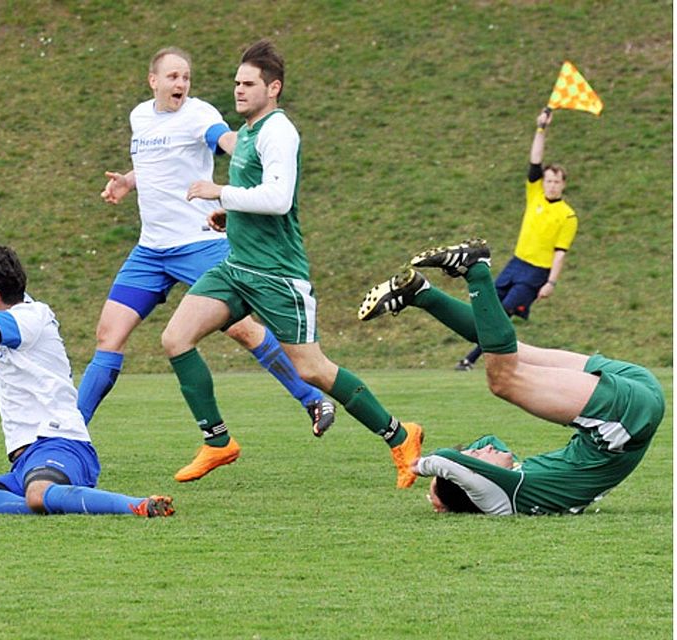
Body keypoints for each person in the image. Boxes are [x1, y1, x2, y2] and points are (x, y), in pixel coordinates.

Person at [163, 40, 423, 487]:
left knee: (312, 369)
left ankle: (400, 435)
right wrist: (232, 214)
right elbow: (260, 196)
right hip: (238, 268)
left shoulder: (279, 131)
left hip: (277, 275)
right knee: (175, 338)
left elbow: (279, 199)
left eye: (249, 84)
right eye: (237, 83)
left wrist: (219, 192)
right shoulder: (246, 133)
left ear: (274, 88)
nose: (239, 91)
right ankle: (218, 442)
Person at [80, 46, 335, 439]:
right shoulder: (140, 116)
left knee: (243, 329)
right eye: (173, 76)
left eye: (186, 77)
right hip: (150, 251)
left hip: (199, 242)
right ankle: (71, 430)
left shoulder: (199, 114)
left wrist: (263, 149)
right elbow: (157, 160)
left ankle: (312, 399)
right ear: (153, 81)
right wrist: (128, 182)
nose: (181, 83)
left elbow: (229, 141)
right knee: (107, 335)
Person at [0, 177, 174, 518]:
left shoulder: (26, 321)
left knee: (37, 493)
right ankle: (53, 501)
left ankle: (135, 505)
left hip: (61, 446)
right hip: (26, 463)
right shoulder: (19, 304)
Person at [358, 238, 664, 515]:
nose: (485, 447)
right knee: (502, 379)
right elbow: (448, 459)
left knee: (509, 352)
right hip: (623, 418)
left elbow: (476, 450)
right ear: (475, 482)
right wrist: (423, 468)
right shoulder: (503, 497)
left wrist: (448, 478)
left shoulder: (510, 477)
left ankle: (421, 294)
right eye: (477, 455)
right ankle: (475, 269)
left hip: (633, 402)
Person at [455, 108, 578, 372]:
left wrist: (551, 283)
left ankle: (471, 359)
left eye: (557, 181)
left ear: (564, 184)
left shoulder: (567, 216)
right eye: (549, 180)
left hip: (535, 272)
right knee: (488, 309)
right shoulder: (535, 195)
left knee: (505, 314)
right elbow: (535, 160)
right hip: (516, 263)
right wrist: (541, 128)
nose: (552, 185)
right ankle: (502, 358)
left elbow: (560, 253)